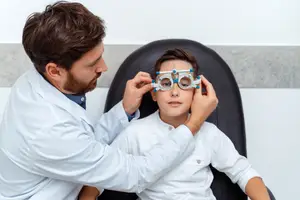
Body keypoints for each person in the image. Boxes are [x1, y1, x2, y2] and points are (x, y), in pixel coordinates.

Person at [0, 1, 219, 200]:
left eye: (101, 55)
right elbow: (136, 175)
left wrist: (124, 110)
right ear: (55, 71)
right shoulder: (46, 130)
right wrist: (194, 124)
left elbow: (85, 147)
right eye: (92, 63)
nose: (103, 68)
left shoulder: (35, 80)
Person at [79, 48, 271, 200]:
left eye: (185, 82)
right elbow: (102, 173)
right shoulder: (135, 133)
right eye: (166, 83)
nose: (175, 92)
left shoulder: (209, 134)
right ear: (153, 93)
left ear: (196, 91)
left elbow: (243, 172)